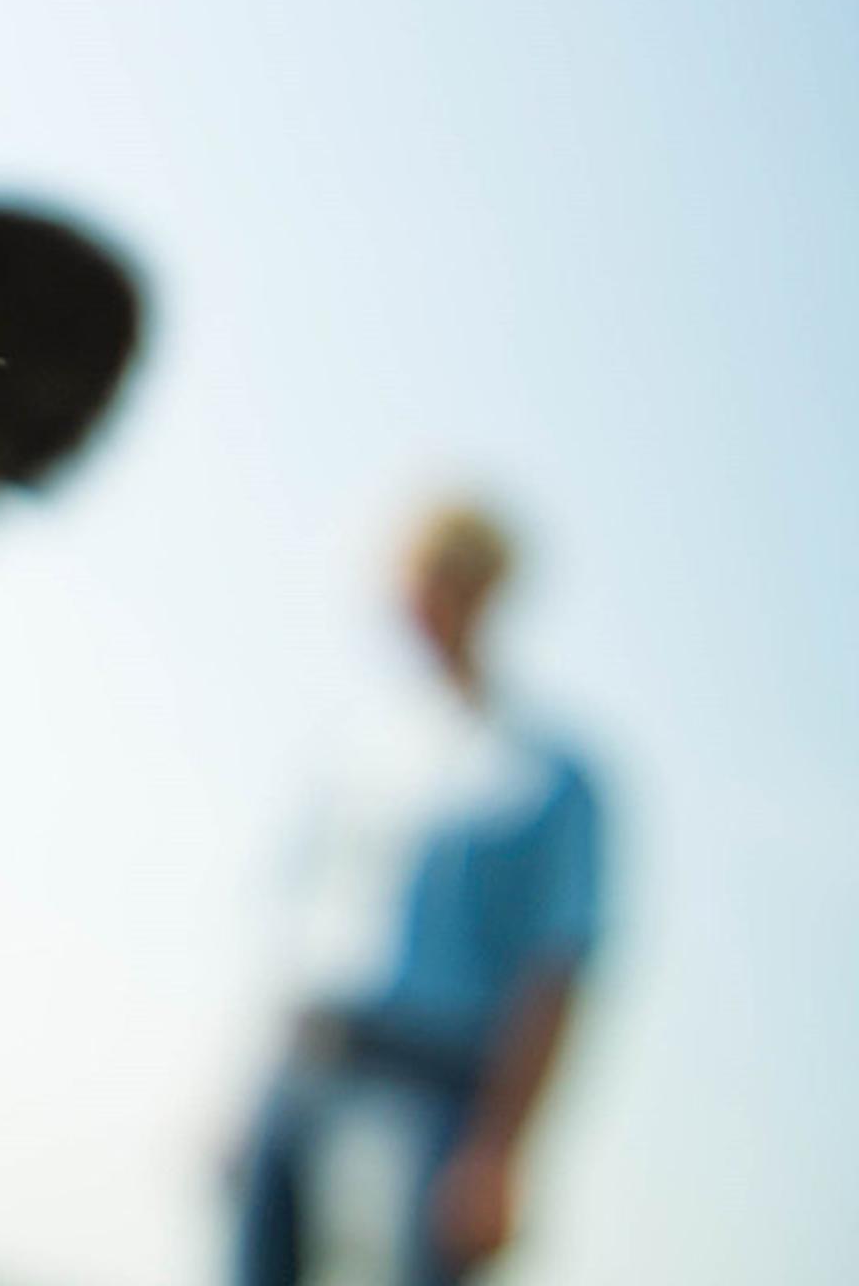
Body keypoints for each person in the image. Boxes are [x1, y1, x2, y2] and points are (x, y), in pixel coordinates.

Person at [233, 501, 605, 1286]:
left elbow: (557, 973)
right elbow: (303, 930)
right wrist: (245, 1091)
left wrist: (500, 1152)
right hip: (303, 1066)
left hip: (430, 1091)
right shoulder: (363, 751)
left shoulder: (545, 771)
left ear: (482, 590)